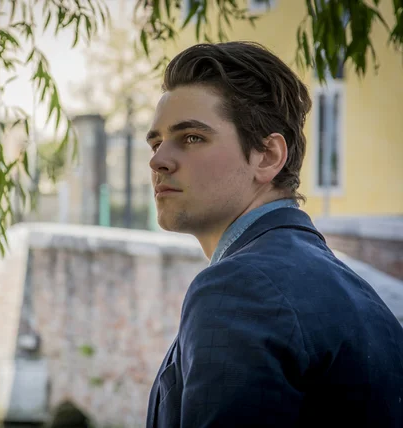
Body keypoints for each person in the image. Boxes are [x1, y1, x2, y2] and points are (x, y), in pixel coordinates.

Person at [145, 42, 403, 427]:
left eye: (192, 137)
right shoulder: (357, 293)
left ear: (267, 156)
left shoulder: (240, 287)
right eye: (156, 141)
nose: (157, 160)